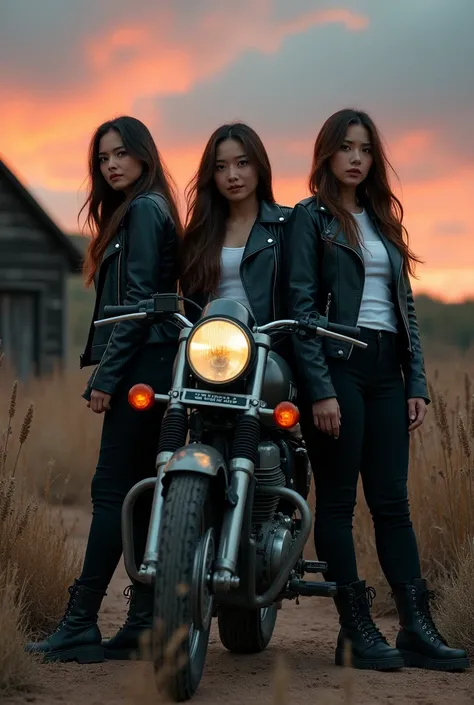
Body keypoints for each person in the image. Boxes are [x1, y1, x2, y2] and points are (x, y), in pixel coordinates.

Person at [285, 108, 469, 672]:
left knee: (393, 503)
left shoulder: (385, 223)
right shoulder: (308, 219)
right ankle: (355, 629)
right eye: (346, 147)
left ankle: (416, 627)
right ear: (326, 155)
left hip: (388, 370)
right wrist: (319, 389)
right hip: (338, 366)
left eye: (365, 148)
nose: (357, 158)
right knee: (339, 502)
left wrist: (415, 379)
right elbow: (300, 308)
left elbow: (405, 309)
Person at [25, 116, 182, 663]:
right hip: (161, 363)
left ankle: (80, 622)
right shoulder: (150, 208)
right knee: (138, 495)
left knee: (113, 493)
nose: (111, 164)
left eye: (120, 153)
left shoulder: (142, 210)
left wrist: (107, 378)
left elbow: (137, 305)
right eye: (102, 157)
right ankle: (139, 624)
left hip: (143, 364)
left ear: (143, 155)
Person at [180, 122, 291, 347]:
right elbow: (192, 308)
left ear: (258, 166)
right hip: (213, 352)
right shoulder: (200, 234)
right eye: (221, 167)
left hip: (271, 350)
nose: (232, 175)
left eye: (242, 163)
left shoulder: (288, 224)